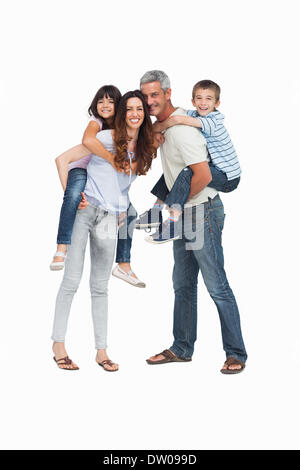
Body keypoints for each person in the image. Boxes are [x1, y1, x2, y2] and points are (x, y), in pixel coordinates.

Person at [140, 70, 247, 374]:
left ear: (167, 93)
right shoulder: (166, 125)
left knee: (217, 286)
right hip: (186, 212)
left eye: (154, 95)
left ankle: (236, 353)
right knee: (183, 285)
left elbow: (202, 176)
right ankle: (181, 348)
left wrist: (177, 210)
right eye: (145, 96)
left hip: (202, 214)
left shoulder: (186, 129)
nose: (149, 101)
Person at [51, 90, 155, 371]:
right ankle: (58, 345)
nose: (135, 114)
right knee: (71, 281)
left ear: (145, 115)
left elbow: (123, 186)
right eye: (130, 109)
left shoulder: (144, 150)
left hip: (110, 219)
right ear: (122, 113)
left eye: (140, 110)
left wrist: (122, 209)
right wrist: (72, 197)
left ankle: (101, 351)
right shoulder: (106, 139)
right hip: (85, 214)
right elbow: (62, 159)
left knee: (100, 287)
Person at [50, 85, 146, 287]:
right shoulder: (99, 127)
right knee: (74, 195)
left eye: (111, 102)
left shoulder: (126, 136)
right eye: (101, 101)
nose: (105, 105)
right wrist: (73, 193)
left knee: (130, 212)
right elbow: (75, 149)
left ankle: (123, 264)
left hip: (102, 185)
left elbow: (121, 179)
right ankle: (61, 247)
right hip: (80, 170)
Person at [136, 79, 241, 244]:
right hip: (215, 168)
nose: (203, 103)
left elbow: (176, 120)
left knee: (187, 172)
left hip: (228, 177)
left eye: (209, 99)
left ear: (217, 103)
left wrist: (164, 124)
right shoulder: (194, 113)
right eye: (199, 98)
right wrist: (155, 132)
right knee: (176, 174)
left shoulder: (214, 120)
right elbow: (174, 117)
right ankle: (155, 212)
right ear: (193, 101)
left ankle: (172, 222)